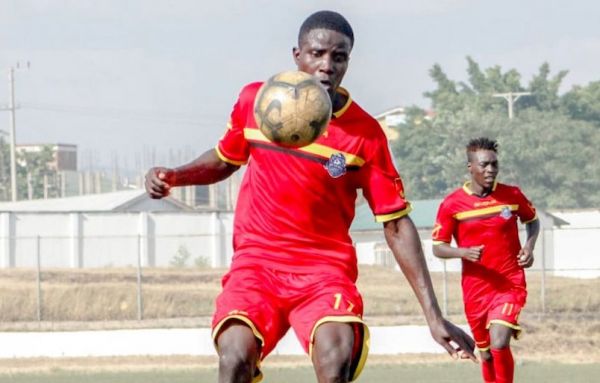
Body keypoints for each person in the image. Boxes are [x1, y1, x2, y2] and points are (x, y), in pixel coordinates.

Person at [146, 10, 475, 383]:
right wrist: (175, 175)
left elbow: (396, 224)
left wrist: (433, 317)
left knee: (335, 361)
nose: (327, 65)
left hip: (324, 272)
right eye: (317, 53)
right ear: (297, 55)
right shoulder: (258, 102)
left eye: (339, 57)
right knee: (234, 356)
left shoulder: (364, 134)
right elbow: (225, 160)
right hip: (257, 265)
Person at [432, 137, 540, 383]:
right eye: (484, 165)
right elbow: (438, 247)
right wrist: (463, 252)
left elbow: (532, 220)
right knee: (486, 353)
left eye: (494, 164)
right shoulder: (452, 204)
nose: (490, 170)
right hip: (476, 290)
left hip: (509, 284)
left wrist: (529, 246)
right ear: (471, 167)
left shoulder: (511, 195)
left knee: (499, 341)